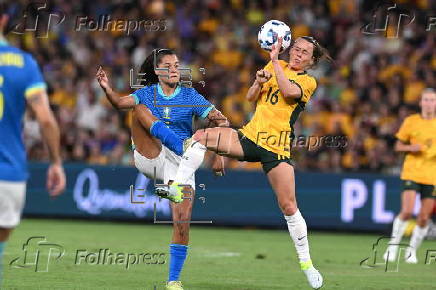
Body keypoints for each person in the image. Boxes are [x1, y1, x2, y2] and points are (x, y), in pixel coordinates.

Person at [157, 36, 332, 289]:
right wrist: (258, 82)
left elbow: (288, 92)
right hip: (249, 137)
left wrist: (274, 62)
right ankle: (177, 186)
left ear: (312, 61)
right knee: (200, 136)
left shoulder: (308, 81)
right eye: (296, 49)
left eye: (304, 52)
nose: (297, 54)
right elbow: (251, 97)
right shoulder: (274, 66)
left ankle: (306, 264)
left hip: (276, 147)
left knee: (288, 206)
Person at [96, 48, 228, 290]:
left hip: (180, 167)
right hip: (151, 155)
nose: (174, 69)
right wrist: (107, 88)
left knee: (182, 221)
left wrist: (219, 153)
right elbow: (119, 103)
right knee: (137, 108)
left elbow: (222, 120)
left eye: (177, 65)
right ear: (157, 71)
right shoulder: (146, 93)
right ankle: (181, 147)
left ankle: (173, 281)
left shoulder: (190, 96)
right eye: (168, 65)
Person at [0, 4, 65, 285]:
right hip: (8, 174)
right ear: (3, 20)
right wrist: (56, 163)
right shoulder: (24, 63)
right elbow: (46, 120)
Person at [384, 88, 436, 264]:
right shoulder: (411, 121)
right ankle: (392, 247)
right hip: (412, 171)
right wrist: (410, 148)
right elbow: (398, 146)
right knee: (406, 211)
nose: (429, 103)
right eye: (426, 100)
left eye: (432, 100)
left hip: (432, 176)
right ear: (421, 103)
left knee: (423, 217)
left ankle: (411, 251)